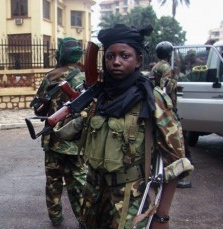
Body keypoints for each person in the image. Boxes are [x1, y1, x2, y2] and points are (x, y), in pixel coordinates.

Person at [79, 24, 193, 229]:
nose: (116, 62)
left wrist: (162, 216)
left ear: (138, 60)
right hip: (93, 195)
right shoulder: (99, 97)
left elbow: (175, 163)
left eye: (124, 56)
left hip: (131, 201)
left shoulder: (153, 100)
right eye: (110, 56)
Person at [34, 37, 87, 227]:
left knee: (53, 182)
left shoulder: (50, 76)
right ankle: (83, 220)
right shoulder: (85, 77)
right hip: (75, 142)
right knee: (78, 184)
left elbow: (37, 107)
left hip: (52, 140)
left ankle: (55, 217)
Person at [151, 41, 193, 189]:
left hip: (157, 106)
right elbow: (166, 89)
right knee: (177, 143)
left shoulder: (155, 67)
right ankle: (180, 176)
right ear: (170, 54)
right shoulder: (166, 68)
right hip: (166, 108)